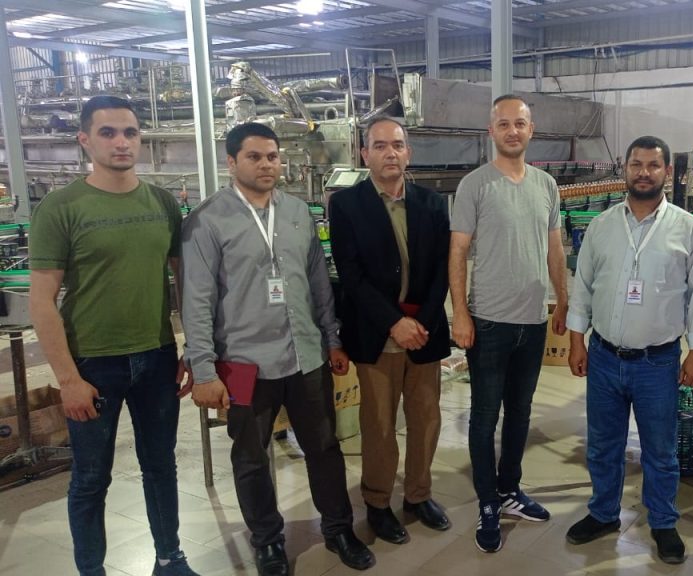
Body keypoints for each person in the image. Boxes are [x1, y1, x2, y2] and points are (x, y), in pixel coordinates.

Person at [182, 123, 374, 574]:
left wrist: (332, 338)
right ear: (232, 162)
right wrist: (203, 370)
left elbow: (318, 284)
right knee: (251, 458)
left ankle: (338, 529)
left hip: (304, 355)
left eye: (272, 156)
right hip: (243, 363)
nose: (267, 165)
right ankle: (267, 541)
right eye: (255, 157)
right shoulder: (207, 221)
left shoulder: (296, 212)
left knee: (324, 448)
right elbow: (196, 300)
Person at [28, 95, 199, 576]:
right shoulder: (61, 208)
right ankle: (92, 570)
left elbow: (185, 281)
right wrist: (68, 379)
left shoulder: (162, 203)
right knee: (90, 478)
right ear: (85, 139)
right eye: (108, 132)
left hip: (157, 355)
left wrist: (192, 348)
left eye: (130, 132)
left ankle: (169, 558)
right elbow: (41, 301)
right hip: (92, 363)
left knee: (161, 466)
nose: (121, 142)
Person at [564, 136, 693, 564]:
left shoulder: (688, 228)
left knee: (660, 451)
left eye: (653, 165)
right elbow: (583, 287)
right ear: (625, 170)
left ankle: (663, 522)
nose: (644, 172)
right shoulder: (602, 225)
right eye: (636, 164)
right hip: (604, 356)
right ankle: (603, 513)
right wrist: (576, 340)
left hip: (657, 362)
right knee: (602, 445)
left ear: (667, 172)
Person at [449, 94, 569, 553]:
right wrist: (460, 313)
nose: (512, 131)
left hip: (533, 320)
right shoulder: (475, 185)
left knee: (520, 413)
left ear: (531, 129)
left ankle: (509, 490)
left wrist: (562, 300)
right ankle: (487, 502)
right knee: (484, 416)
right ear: (491, 131)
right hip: (489, 323)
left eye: (520, 123)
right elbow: (458, 251)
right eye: (504, 124)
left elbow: (554, 248)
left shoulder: (546, 186)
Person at [329, 117, 452, 544]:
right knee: (379, 425)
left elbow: (442, 270)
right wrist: (394, 323)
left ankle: (418, 495)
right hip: (376, 336)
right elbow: (351, 275)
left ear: (408, 153)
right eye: (380, 146)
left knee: (426, 419)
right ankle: (378, 502)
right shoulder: (346, 205)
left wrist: (422, 323)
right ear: (365, 154)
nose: (390, 153)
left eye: (397, 145)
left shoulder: (431, 204)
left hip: (424, 335)